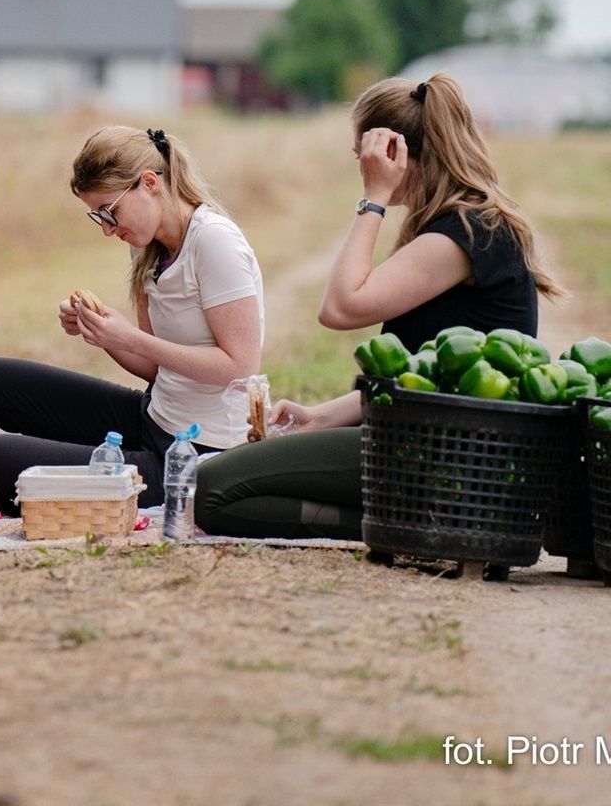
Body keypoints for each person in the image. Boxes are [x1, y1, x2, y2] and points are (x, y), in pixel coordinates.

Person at [194, 72, 560, 541]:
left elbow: (341, 308)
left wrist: (374, 197)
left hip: (446, 457)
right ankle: (405, 523)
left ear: (393, 155)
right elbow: (425, 375)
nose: (361, 169)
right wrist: (319, 418)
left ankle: (413, 527)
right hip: (434, 441)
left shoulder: (468, 233)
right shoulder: (465, 226)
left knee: (213, 487)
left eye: (363, 159)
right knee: (221, 487)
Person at [0, 125, 264, 514]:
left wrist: (128, 338)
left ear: (149, 183)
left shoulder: (214, 241)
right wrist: (103, 334)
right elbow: (156, 369)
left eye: (111, 212)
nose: (109, 229)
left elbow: (239, 366)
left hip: (192, 454)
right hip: (153, 418)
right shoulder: (146, 247)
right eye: (99, 217)